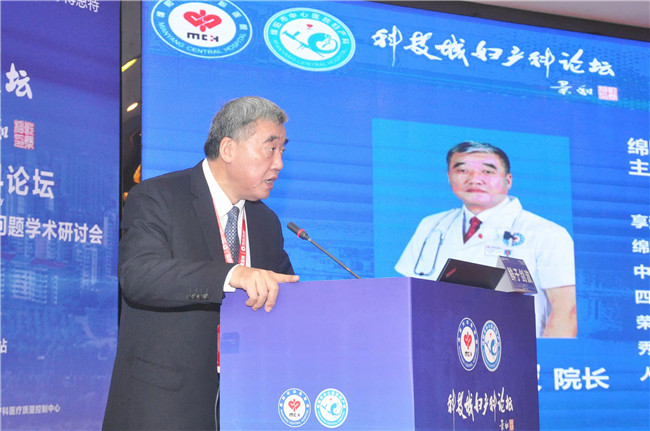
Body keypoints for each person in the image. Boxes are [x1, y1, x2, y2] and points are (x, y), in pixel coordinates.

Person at [103, 96, 300, 430]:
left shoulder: (266, 222)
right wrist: (232, 275)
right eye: (270, 148)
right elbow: (139, 275)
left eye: (282, 150)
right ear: (228, 149)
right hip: (163, 407)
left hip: (243, 406)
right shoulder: (157, 197)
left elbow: (285, 298)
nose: (279, 163)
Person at [395, 141, 576, 338]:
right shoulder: (431, 225)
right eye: (463, 170)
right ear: (449, 176)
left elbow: (566, 311)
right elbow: (407, 296)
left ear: (508, 180)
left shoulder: (546, 233)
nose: (475, 179)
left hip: (513, 349)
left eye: (487, 172)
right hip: (439, 346)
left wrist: (549, 356)